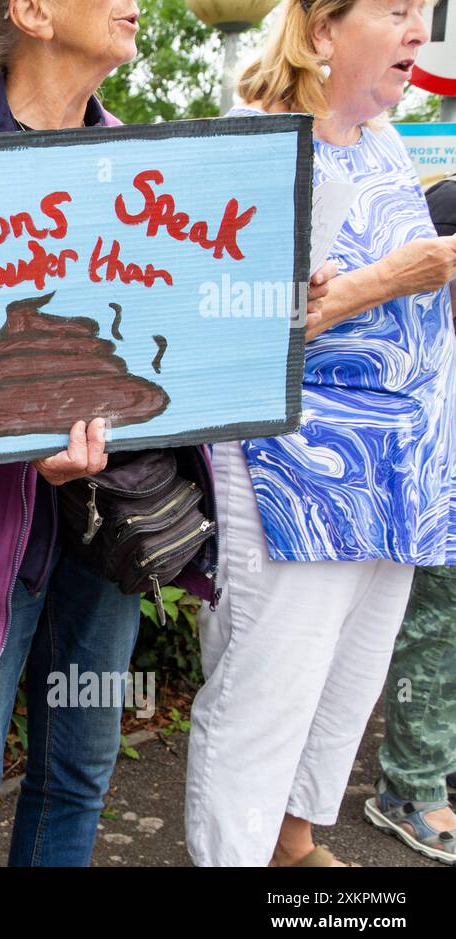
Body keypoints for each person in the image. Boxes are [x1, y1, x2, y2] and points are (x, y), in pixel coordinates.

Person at [0, 0, 332, 868]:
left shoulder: (159, 177)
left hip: (116, 524)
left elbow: (192, 342)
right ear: (33, 11)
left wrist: (282, 310)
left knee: (80, 773)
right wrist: (11, 443)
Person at [186, 0, 456, 867]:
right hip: (296, 470)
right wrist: (401, 274)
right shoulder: (255, 143)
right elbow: (225, 321)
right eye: (398, 10)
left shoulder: (379, 139)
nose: (421, 31)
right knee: (267, 687)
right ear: (324, 30)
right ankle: (234, 855)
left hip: (394, 471)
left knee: (345, 681)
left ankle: (293, 846)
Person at [362, 175, 456, 865]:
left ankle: (437, 771)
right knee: (435, 630)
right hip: (433, 462)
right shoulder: (444, 200)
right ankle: (409, 787)